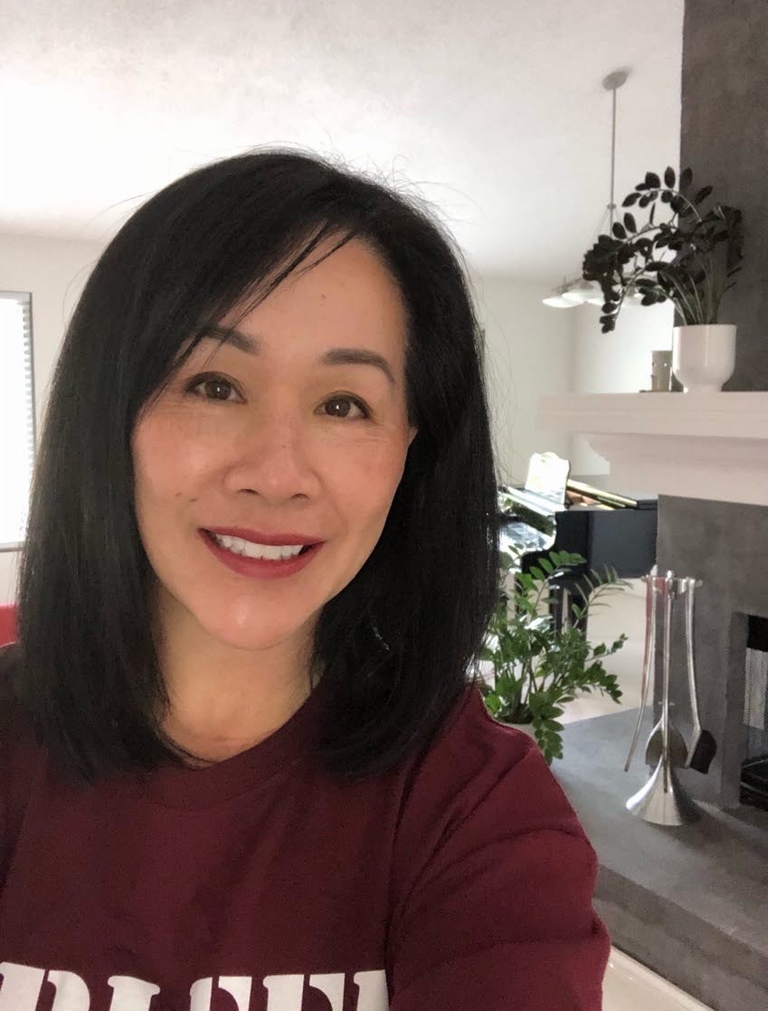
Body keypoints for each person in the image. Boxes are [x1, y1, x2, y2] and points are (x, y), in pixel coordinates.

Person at [0, 150, 609, 1010]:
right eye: (215, 385)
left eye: (343, 404)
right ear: (112, 417)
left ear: (409, 453)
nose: (277, 474)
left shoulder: (475, 807)